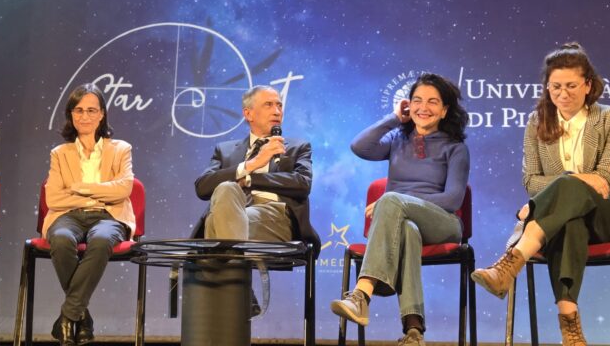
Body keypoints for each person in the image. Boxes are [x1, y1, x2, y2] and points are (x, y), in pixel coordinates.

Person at [471, 43, 610, 345]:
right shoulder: (537, 123)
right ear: (547, 87)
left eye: (571, 85)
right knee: (569, 222)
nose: (563, 93)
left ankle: (512, 261)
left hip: (609, 216)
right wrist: (572, 181)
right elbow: (531, 181)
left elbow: (605, 178)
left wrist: (543, 201)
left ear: (588, 85)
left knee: (570, 187)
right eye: (556, 86)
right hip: (563, 221)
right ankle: (571, 328)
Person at [330, 73, 470, 346]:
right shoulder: (398, 139)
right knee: (407, 230)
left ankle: (362, 294)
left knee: (392, 201)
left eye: (432, 102)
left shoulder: (456, 148)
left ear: (444, 110)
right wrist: (394, 118)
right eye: (417, 100)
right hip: (403, 223)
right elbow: (359, 146)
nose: (423, 107)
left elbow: (453, 199)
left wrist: (397, 201)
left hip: (443, 223)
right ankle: (414, 331)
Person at [44, 83, 135, 346]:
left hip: (108, 215)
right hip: (68, 216)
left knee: (102, 239)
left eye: (91, 110)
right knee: (61, 239)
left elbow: (123, 189)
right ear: (71, 114)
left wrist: (82, 188)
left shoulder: (121, 149)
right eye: (79, 110)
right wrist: (101, 192)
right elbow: (54, 198)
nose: (85, 116)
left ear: (102, 114)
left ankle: (67, 316)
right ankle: (82, 318)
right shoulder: (59, 154)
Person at [193, 84, 320, 253]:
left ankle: (221, 262)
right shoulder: (225, 150)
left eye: (279, 105)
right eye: (268, 105)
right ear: (248, 114)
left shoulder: (297, 147)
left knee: (217, 227)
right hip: (229, 211)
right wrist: (252, 164)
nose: (277, 111)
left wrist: (249, 179)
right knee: (226, 189)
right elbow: (202, 187)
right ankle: (235, 265)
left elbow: (303, 184)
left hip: (274, 216)